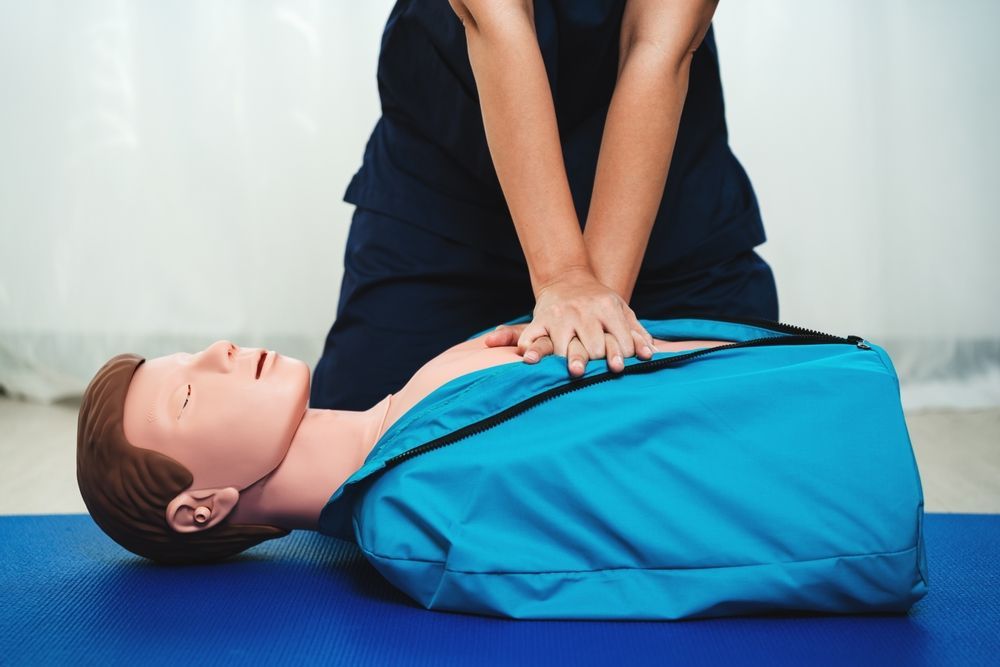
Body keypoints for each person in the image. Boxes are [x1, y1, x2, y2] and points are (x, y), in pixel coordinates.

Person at [310, 0, 778, 413]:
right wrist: (564, 278)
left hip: (661, 210)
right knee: (357, 453)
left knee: (747, 449)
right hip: (447, 194)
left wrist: (591, 321)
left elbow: (658, 45)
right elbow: (498, 20)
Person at [76, 328, 729, 564]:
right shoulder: (419, 508)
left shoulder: (411, 415)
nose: (219, 349)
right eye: (187, 394)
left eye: (194, 353)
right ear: (200, 508)